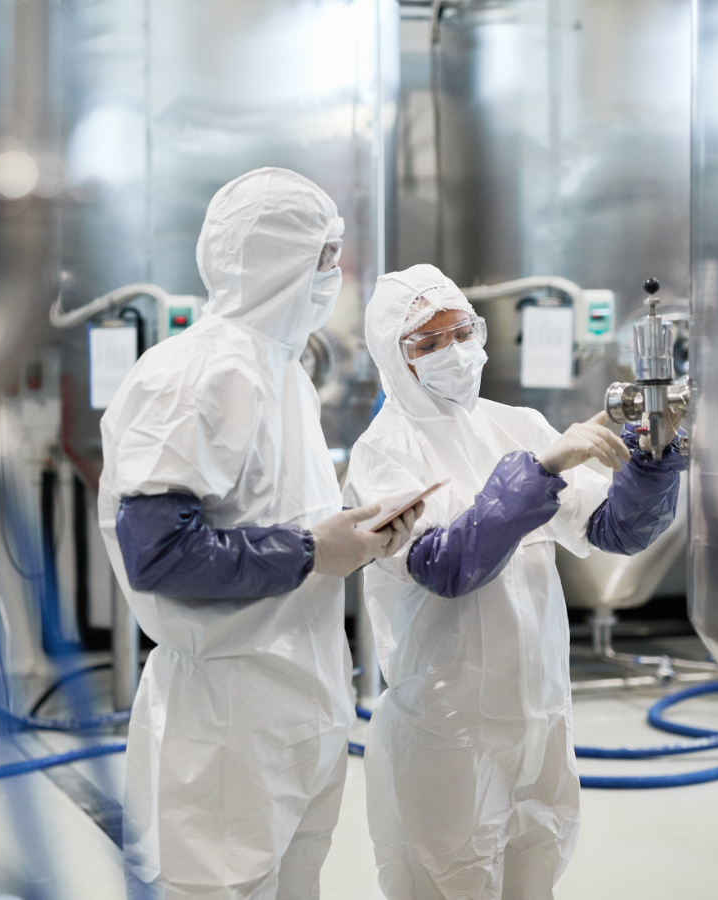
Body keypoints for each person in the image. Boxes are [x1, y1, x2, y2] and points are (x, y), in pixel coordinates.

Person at [98, 167, 419, 900]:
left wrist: (358, 535)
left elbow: (272, 520)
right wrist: (313, 551)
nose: (335, 275)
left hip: (301, 693)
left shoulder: (285, 373)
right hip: (225, 716)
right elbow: (158, 551)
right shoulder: (198, 372)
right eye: (324, 254)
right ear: (278, 259)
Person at [343, 264, 686, 900]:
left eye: (461, 331)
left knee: (534, 877)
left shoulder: (517, 424)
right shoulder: (384, 452)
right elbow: (449, 565)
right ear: (396, 358)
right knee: (452, 880)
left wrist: (652, 465)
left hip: (539, 719)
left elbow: (612, 530)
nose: (453, 350)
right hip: (449, 728)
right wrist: (545, 467)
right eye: (427, 342)